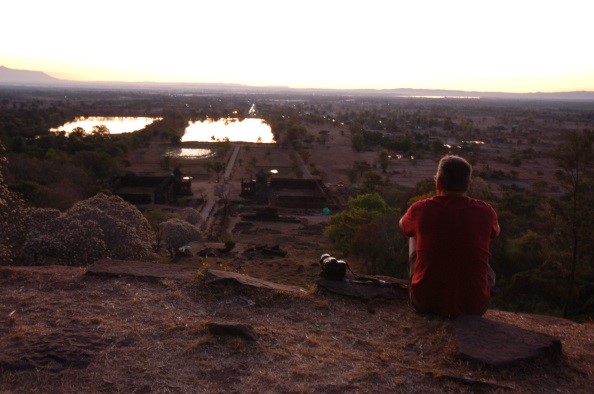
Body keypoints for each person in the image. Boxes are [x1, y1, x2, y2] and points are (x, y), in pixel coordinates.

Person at [399, 155, 499, 318]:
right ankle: (472, 286)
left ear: (438, 182)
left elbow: (403, 226)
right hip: (475, 306)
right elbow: (496, 232)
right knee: (483, 233)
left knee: (413, 234)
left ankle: (420, 281)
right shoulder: (486, 211)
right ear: (468, 184)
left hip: (425, 302)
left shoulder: (421, 209)